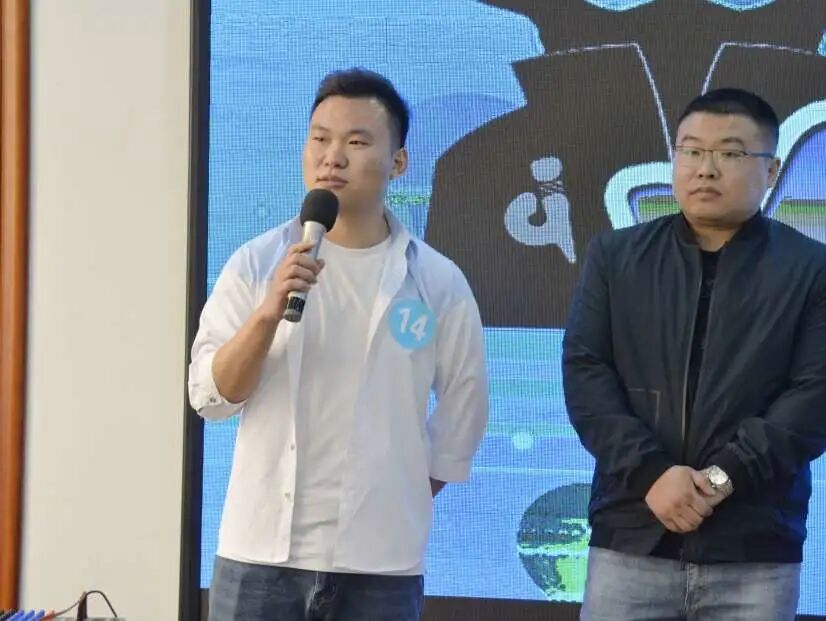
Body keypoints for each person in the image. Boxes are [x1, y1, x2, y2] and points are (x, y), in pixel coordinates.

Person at [189, 68, 488, 621]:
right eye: (320, 139)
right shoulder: (257, 263)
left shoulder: (438, 282)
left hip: (380, 566)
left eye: (356, 142)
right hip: (259, 559)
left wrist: (397, 489)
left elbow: (463, 411)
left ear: (398, 162)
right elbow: (211, 397)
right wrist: (268, 313)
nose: (332, 157)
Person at [563, 88, 826, 620]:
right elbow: (587, 372)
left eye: (730, 153)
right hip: (632, 537)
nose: (706, 168)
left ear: (771, 169)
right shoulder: (615, 257)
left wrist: (722, 479)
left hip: (755, 550)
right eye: (691, 150)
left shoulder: (811, 269)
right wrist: (651, 474)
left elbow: (814, 396)